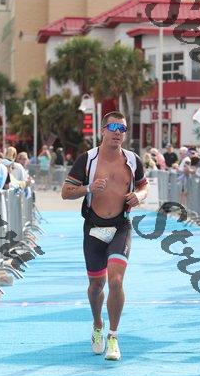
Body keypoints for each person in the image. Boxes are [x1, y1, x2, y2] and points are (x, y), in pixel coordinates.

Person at [61, 111, 148, 362]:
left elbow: (144, 186)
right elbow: (65, 192)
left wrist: (139, 196)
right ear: (102, 130)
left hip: (121, 226)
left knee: (116, 281)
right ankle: (98, 324)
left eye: (122, 129)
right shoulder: (87, 159)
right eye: (113, 127)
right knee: (96, 286)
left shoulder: (132, 160)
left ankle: (113, 336)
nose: (118, 133)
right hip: (93, 227)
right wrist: (88, 187)